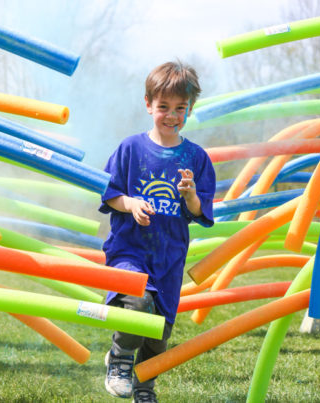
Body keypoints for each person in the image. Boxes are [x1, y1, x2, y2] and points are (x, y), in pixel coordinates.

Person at [99, 60, 215, 402]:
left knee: (159, 333)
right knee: (137, 302)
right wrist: (131, 204)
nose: (171, 115)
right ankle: (119, 360)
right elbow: (110, 194)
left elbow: (201, 211)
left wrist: (191, 195)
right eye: (163, 106)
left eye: (180, 108)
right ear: (148, 104)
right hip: (130, 250)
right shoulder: (130, 149)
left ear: (190, 109)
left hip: (168, 256)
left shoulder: (196, 157)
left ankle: (144, 385)